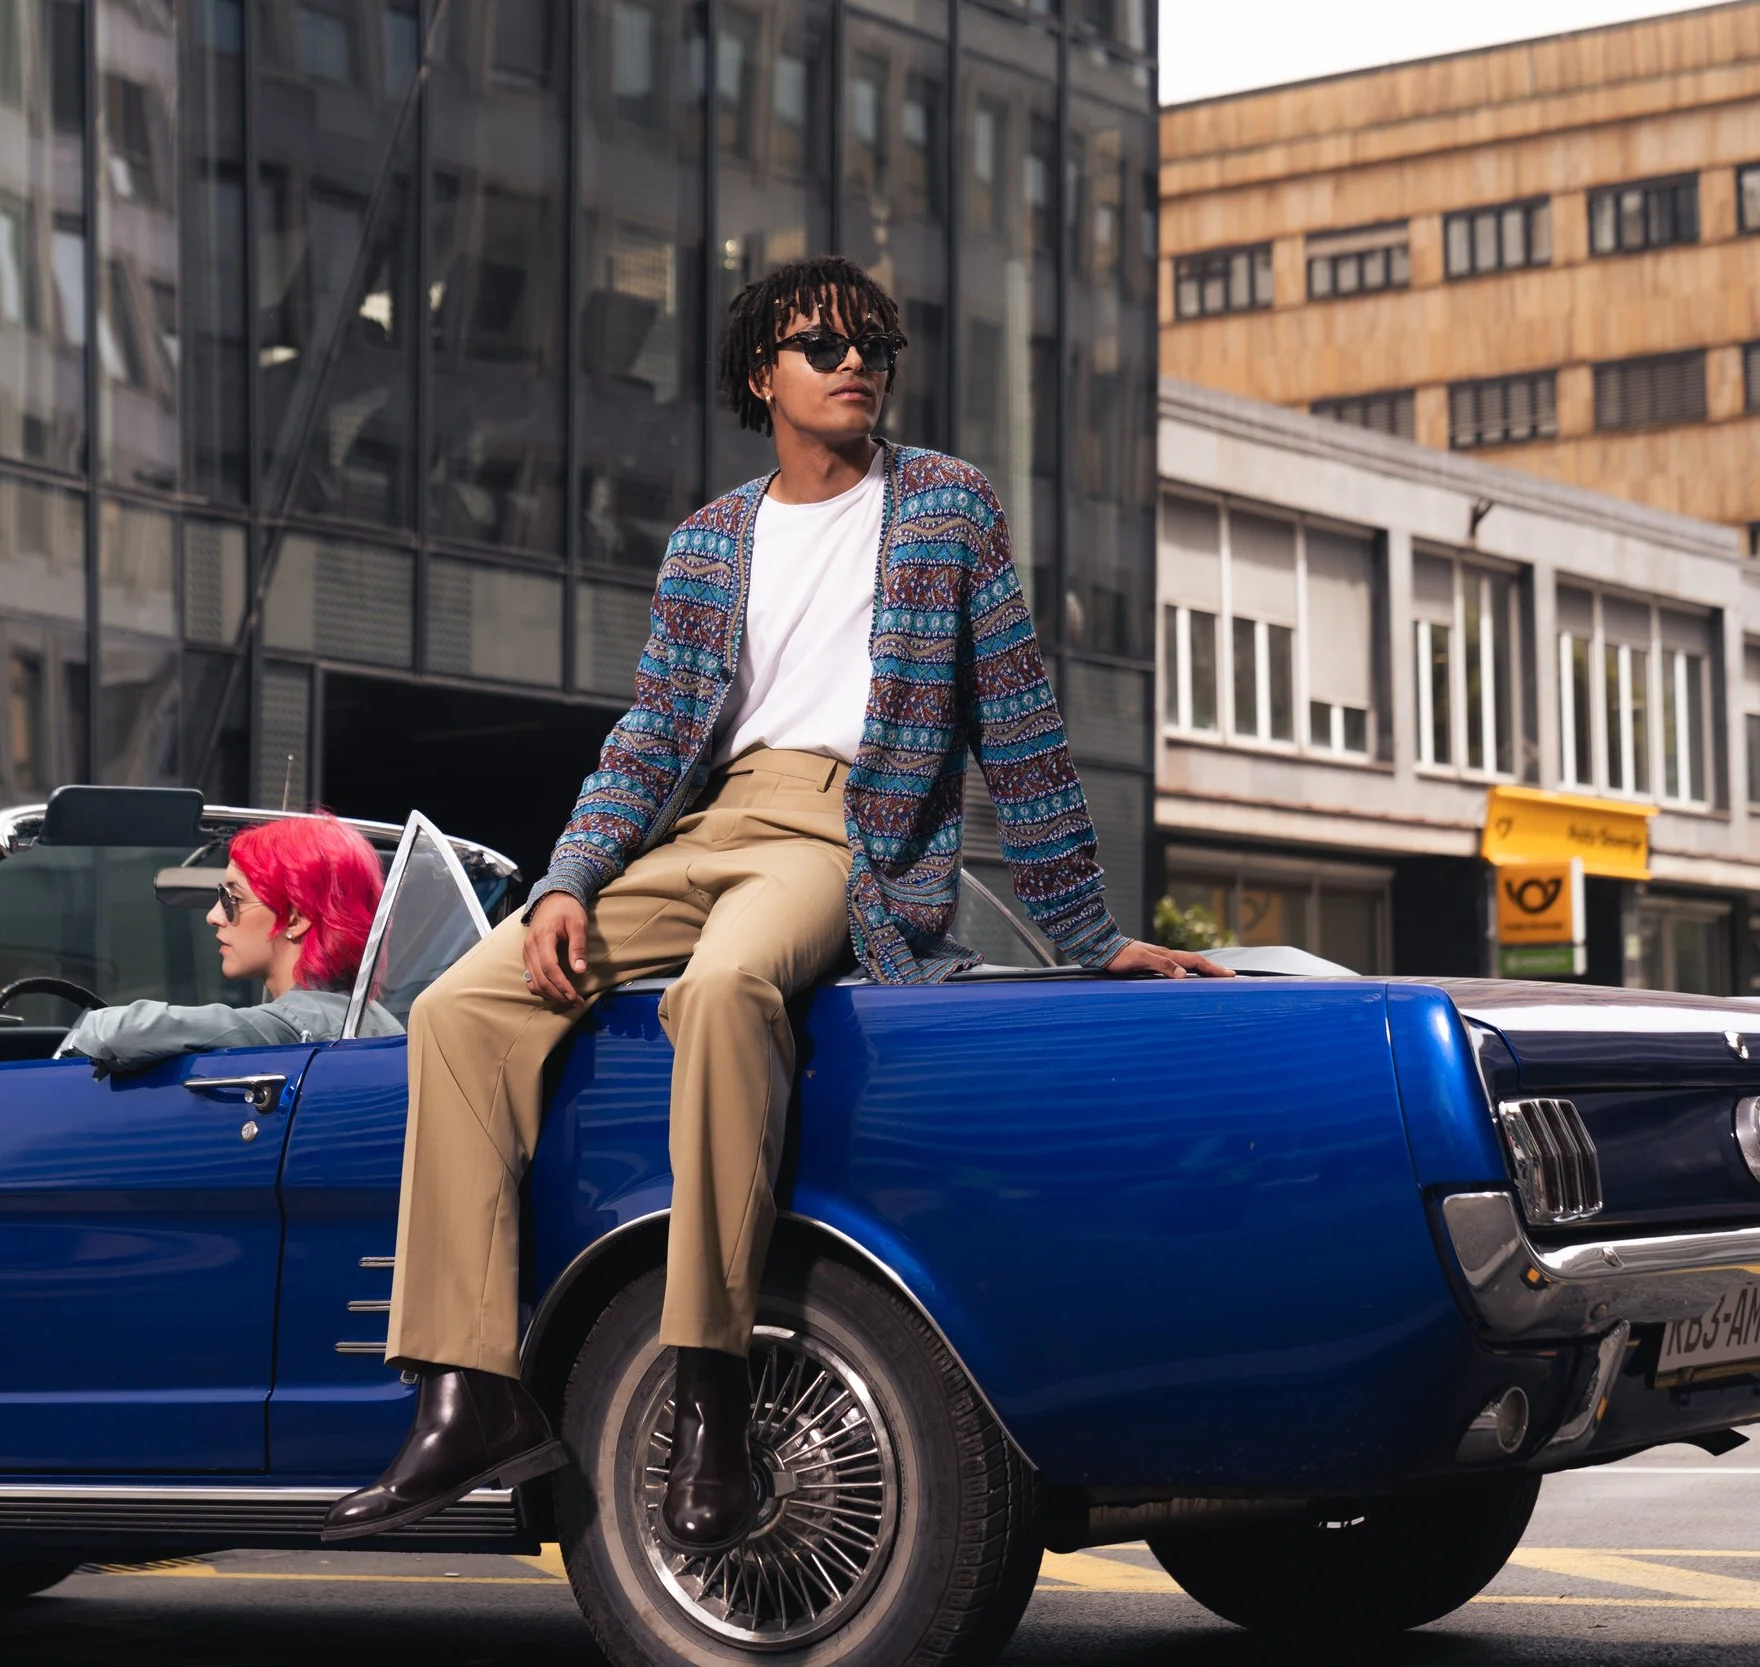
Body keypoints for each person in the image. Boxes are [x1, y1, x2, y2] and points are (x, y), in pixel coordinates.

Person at [324, 255, 1230, 1549]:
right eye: (820, 344)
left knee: (727, 984)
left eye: (869, 344)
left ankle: (710, 1393)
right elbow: (648, 739)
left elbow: (1018, 722)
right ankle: (468, 1387)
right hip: (710, 823)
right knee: (465, 1004)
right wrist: (573, 878)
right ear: (764, 375)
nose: (852, 362)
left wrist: (1089, 931)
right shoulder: (710, 540)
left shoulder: (946, 510)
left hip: (846, 828)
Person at [60, 813, 398, 1073]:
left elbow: (120, 1032)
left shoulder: (301, 1022)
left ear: (295, 918)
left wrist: (86, 1031)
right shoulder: (378, 1024)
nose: (212, 915)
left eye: (232, 897)